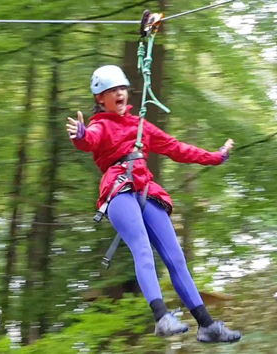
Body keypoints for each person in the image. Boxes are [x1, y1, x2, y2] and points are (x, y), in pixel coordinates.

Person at [66, 65, 241, 343]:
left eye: (122, 88)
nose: (120, 93)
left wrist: (215, 157)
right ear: (100, 99)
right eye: (112, 91)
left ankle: (207, 326)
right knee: (142, 249)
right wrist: (81, 135)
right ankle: (161, 317)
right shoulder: (100, 126)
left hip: (146, 190)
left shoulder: (141, 126)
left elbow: (177, 148)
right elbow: (91, 140)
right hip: (119, 189)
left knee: (176, 258)